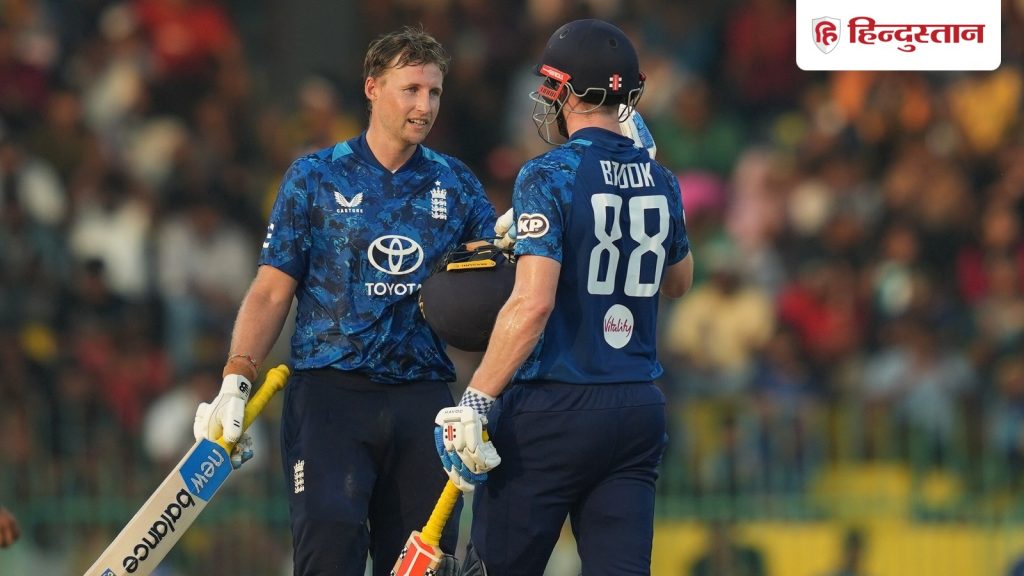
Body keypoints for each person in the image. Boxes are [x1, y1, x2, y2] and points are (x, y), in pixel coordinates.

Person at [191, 26, 502, 576]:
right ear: (372, 88)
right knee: (329, 555)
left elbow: (490, 284)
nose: (425, 106)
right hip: (330, 398)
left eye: (434, 92)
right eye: (411, 90)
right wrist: (236, 380)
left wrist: (512, 248)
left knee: (419, 567)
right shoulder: (314, 176)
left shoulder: (456, 183)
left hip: (423, 399)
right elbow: (271, 289)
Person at [434, 18, 694, 575]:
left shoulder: (547, 174)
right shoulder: (662, 178)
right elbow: (678, 282)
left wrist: (476, 398)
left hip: (555, 405)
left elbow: (533, 304)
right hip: (636, 403)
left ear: (567, 90)